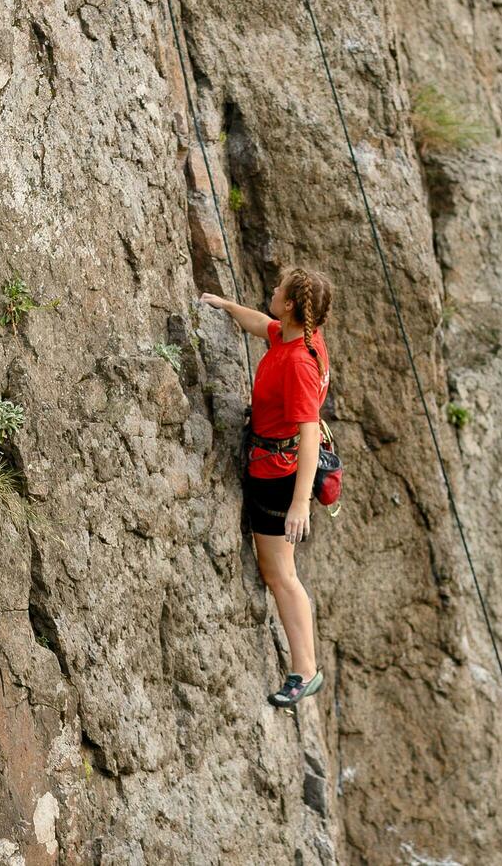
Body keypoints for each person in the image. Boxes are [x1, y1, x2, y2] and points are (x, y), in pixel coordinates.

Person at [200, 265, 333, 708]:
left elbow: (310, 431)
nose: (271, 292)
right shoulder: (297, 338)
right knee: (279, 573)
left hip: (278, 478)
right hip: (273, 467)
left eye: (278, 290)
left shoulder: (299, 363)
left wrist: (300, 504)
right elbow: (264, 324)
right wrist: (225, 306)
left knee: (281, 575)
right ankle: (305, 667)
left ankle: (305, 670)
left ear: (292, 304)